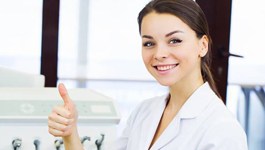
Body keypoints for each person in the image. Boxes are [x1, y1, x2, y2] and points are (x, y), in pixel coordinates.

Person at [48, 0, 248, 149]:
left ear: (202, 45)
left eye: (174, 40)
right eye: (149, 43)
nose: (159, 54)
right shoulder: (145, 112)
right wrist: (70, 133)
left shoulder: (222, 130)